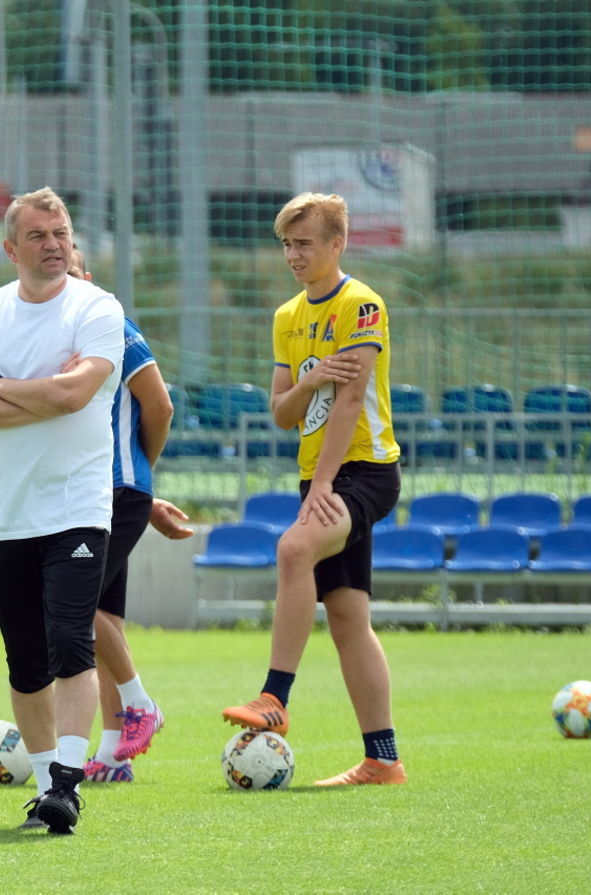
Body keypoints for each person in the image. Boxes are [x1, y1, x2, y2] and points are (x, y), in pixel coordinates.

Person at [0, 187, 124, 834]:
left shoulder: (97, 306)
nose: (54, 243)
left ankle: (69, 784)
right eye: (40, 234)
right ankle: (48, 782)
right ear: (11, 247)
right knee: (23, 658)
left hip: (78, 504)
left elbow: (78, 394)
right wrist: (38, 392)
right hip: (8, 512)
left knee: (70, 640)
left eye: (63, 232)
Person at [220, 192, 406, 786]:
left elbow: (352, 402)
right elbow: (281, 411)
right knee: (349, 620)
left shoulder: (363, 305)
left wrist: (322, 484)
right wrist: (314, 377)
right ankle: (383, 759)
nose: (293, 255)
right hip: (321, 475)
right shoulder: (288, 317)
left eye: (304, 244)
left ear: (336, 245)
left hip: (365, 472)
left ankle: (275, 697)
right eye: (286, 245)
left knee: (294, 550)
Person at [64, 252, 194, 785]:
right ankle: (115, 754)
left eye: (71, 271)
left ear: (87, 278)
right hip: (93, 491)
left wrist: (138, 476)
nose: (62, 282)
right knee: (104, 622)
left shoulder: (110, 322)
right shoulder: (49, 335)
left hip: (114, 489)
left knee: (76, 605)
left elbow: (159, 407)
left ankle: (142, 706)